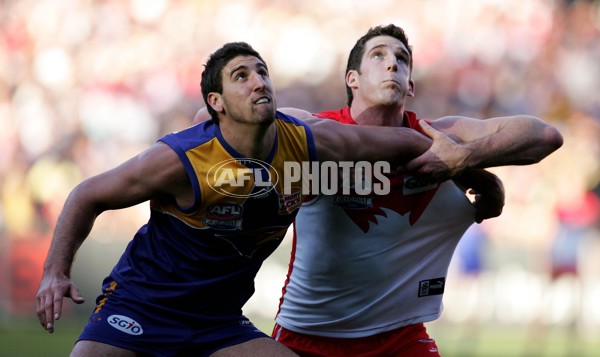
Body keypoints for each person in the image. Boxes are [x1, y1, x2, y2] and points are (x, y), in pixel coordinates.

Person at [35, 41, 480, 357]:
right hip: (141, 307)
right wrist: (55, 273)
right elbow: (86, 194)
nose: (257, 81)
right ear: (217, 102)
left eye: (262, 71)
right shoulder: (179, 159)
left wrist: (466, 170)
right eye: (240, 76)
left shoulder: (309, 144)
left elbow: (400, 144)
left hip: (218, 324)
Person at [194, 25, 563, 356]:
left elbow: (544, 136)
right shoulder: (312, 132)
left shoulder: (437, 138)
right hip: (309, 335)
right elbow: (208, 120)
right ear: (352, 79)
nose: (392, 65)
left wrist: (464, 157)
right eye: (379, 55)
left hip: (400, 337)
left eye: (402, 59)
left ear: (411, 85)